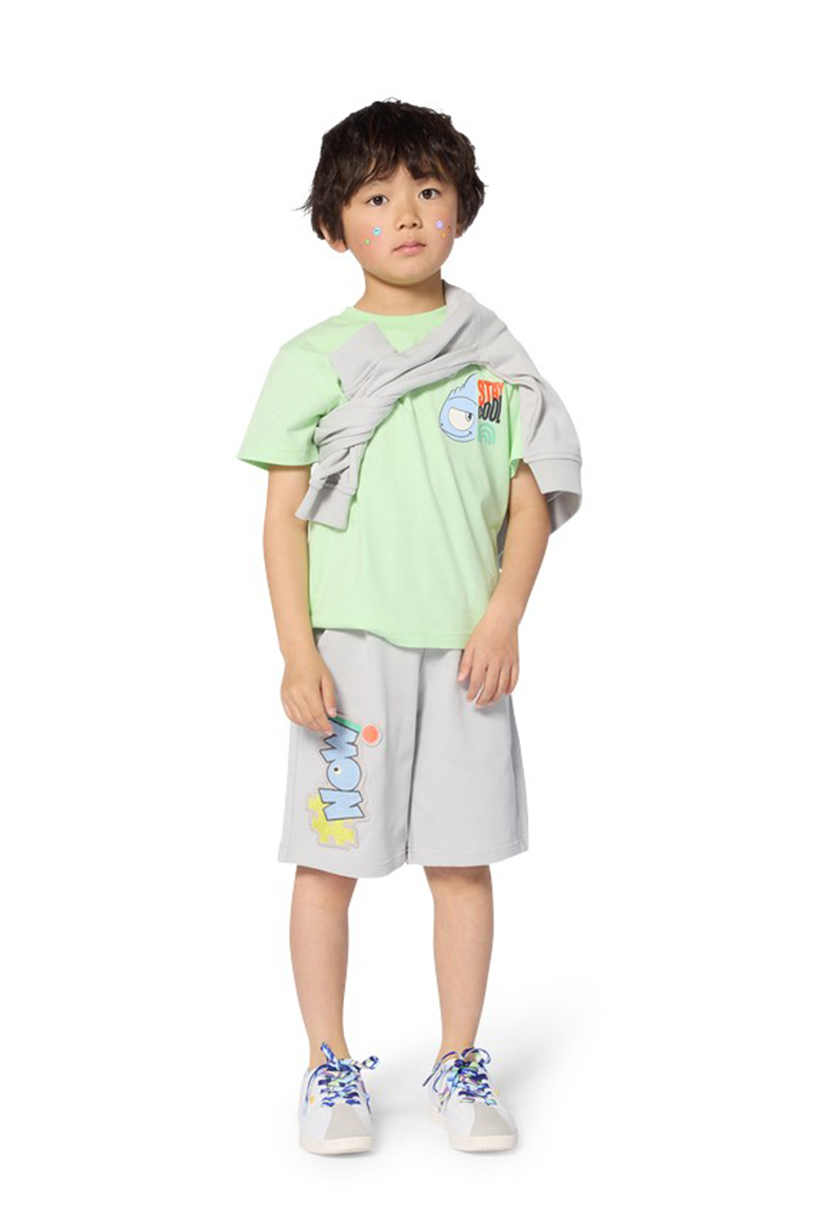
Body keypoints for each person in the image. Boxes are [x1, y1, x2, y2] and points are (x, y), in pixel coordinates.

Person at [236, 99, 582, 1155]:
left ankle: (459, 1061)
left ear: (460, 211)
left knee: (464, 862)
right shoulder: (313, 358)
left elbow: (528, 495)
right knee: (328, 862)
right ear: (333, 226)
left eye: (429, 191)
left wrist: (504, 615)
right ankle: (327, 1064)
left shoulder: (495, 360)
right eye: (376, 196)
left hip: (468, 653)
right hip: (349, 658)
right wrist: (297, 651)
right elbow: (284, 519)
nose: (407, 213)